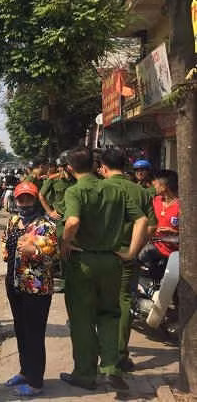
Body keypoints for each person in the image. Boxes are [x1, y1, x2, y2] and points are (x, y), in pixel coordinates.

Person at [60, 147, 148, 392]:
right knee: (110, 314)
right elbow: (142, 220)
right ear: (95, 165)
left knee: (82, 319)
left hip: (83, 262)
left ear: (70, 168)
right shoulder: (115, 190)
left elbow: (73, 221)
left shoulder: (75, 191)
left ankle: (85, 374)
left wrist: (65, 242)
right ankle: (111, 368)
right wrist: (131, 252)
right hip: (112, 261)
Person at [100, 148, 157, 373]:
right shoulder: (141, 192)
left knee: (101, 303)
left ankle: (103, 357)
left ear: (103, 167)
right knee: (124, 302)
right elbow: (150, 226)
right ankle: (120, 355)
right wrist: (134, 249)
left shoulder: (99, 188)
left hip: (101, 255)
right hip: (127, 255)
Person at [2, 181, 58, 397]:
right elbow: (6, 244)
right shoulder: (13, 221)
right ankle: (25, 371)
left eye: (29, 198)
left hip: (36, 288)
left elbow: (53, 258)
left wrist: (34, 251)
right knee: (21, 330)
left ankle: (36, 382)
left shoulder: (46, 226)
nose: (24, 203)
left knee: (34, 334)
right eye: (21, 199)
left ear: (36, 200)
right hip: (14, 283)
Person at [139, 170, 180, 263]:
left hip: (174, 252)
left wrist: (175, 232)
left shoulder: (182, 206)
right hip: (154, 246)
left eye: (156, 184)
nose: (154, 186)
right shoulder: (155, 201)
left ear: (164, 186)